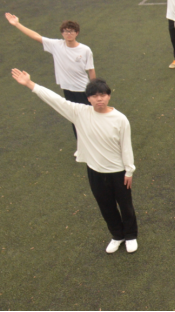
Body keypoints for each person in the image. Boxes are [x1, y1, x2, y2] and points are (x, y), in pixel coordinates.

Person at [11, 69, 139, 254]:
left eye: (103, 95)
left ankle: (131, 235)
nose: (99, 99)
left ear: (109, 96)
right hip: (95, 171)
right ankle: (117, 236)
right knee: (105, 206)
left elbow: (126, 146)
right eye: (94, 96)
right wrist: (30, 84)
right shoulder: (79, 113)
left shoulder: (120, 119)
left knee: (125, 206)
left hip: (118, 172)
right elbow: (55, 100)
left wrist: (129, 171)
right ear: (88, 99)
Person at [5, 14, 95, 139]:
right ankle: (81, 143)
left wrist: (94, 90)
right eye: (66, 31)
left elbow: (91, 70)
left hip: (83, 89)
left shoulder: (85, 50)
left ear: (77, 33)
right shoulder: (56, 45)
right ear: (62, 33)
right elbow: (36, 36)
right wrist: (17, 24)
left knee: (89, 117)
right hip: (67, 89)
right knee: (74, 118)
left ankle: (95, 140)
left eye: (71, 31)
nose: (68, 34)